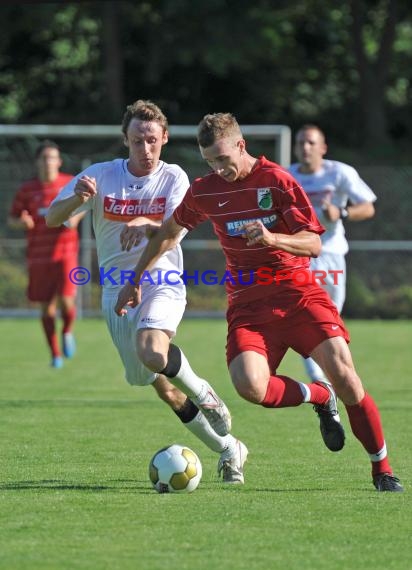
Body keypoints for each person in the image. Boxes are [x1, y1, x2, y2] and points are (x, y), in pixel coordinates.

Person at [115, 112, 403, 492]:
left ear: (241, 145)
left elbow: (314, 242)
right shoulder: (205, 190)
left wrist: (273, 239)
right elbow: (169, 234)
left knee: (348, 379)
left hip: (299, 295)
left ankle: (381, 470)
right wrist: (134, 279)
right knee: (251, 387)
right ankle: (318, 396)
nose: (220, 169)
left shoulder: (278, 181)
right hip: (249, 307)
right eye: (211, 161)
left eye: (224, 159)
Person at [46, 100, 248, 484]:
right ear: (126, 139)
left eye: (152, 140)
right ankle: (228, 448)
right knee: (158, 384)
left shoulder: (174, 178)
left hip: (161, 281)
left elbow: (173, 235)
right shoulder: (101, 176)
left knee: (154, 349)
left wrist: (147, 222)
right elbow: (51, 218)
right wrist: (78, 200)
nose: (145, 149)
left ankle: (207, 395)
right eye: (138, 141)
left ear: (165, 138)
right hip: (116, 295)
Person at [289, 124, 377, 383]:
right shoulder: (286, 175)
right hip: (300, 255)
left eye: (311, 143)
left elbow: (368, 207)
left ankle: (333, 374)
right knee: (305, 316)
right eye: (300, 143)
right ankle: (318, 376)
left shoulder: (340, 172)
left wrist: (342, 213)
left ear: (323, 148)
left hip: (332, 256)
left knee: (331, 320)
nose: (305, 147)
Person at [8, 140, 82, 368]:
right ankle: (55, 353)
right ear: (37, 162)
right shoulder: (27, 190)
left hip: (66, 253)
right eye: (44, 158)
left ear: (59, 161)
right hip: (39, 257)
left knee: (67, 302)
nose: (48, 162)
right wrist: (21, 222)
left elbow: (83, 207)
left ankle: (67, 330)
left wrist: (74, 219)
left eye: (52, 157)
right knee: (46, 308)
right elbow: (12, 219)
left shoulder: (69, 183)